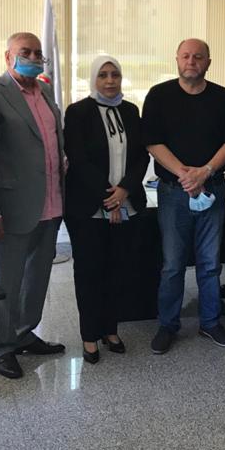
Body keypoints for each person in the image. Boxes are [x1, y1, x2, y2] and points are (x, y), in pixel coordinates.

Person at [142, 39, 225, 354]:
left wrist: (205, 172)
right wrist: (186, 175)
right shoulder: (159, 95)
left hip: (212, 189)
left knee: (210, 263)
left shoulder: (224, 98)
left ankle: (210, 322)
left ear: (208, 62)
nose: (191, 61)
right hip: (173, 193)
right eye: (186, 56)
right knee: (172, 264)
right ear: (177, 59)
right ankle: (168, 325)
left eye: (198, 56)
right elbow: (152, 142)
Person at [0, 32, 67, 380]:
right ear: (8, 57)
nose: (33, 58)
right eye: (25, 52)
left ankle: (24, 333)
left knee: (37, 277)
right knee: (6, 280)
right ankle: (2, 346)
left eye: (37, 53)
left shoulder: (45, 92)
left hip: (50, 201)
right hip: (12, 206)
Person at [64, 55, 149, 364]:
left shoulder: (131, 111)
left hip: (126, 203)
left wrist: (124, 190)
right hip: (88, 207)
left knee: (117, 270)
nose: (110, 80)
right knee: (90, 272)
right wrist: (108, 198)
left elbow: (141, 156)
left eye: (115, 74)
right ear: (93, 78)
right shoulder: (78, 112)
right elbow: (78, 159)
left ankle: (110, 329)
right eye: (103, 75)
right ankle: (90, 335)